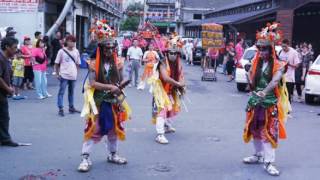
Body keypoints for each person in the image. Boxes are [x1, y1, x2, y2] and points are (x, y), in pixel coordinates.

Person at [78, 19, 131, 172]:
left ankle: (113, 154)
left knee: (114, 128)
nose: (110, 51)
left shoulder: (118, 62)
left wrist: (124, 82)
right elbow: (93, 83)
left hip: (114, 101)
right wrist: (110, 86)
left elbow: (121, 79)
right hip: (98, 101)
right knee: (93, 128)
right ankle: (85, 158)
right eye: (107, 48)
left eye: (112, 48)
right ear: (101, 48)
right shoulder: (93, 63)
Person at [243, 23, 290, 176]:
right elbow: (251, 84)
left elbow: (275, 81)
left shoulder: (279, 64)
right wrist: (248, 76)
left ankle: (269, 162)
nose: (261, 51)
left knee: (268, 132)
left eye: (265, 48)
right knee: (254, 129)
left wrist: (265, 92)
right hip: (255, 102)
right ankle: (257, 155)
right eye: (260, 48)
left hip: (269, 103)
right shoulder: (256, 63)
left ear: (271, 50)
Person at [147, 43, 185, 144]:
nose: (172, 55)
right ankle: (160, 135)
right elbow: (165, 78)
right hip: (160, 90)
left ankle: (166, 126)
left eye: (175, 53)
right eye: (170, 53)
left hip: (170, 90)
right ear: (167, 53)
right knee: (162, 110)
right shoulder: (162, 63)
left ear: (178, 54)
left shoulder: (178, 63)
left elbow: (181, 75)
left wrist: (182, 83)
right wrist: (178, 83)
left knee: (170, 108)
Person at [55, 35, 81, 117]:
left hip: (73, 76)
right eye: (70, 41)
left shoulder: (76, 51)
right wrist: (57, 73)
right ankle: (61, 108)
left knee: (71, 92)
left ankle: (71, 107)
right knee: (61, 92)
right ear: (67, 41)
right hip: (64, 75)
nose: (72, 43)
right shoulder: (61, 51)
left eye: (73, 41)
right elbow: (56, 63)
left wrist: (76, 73)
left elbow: (77, 63)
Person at [0, 37, 19, 147]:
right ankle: (5, 139)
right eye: (14, 48)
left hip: (3, 92)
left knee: (3, 116)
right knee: (4, 116)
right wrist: (8, 88)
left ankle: (4, 137)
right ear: (7, 47)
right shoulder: (1, 58)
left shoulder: (6, 58)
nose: (16, 50)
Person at [279, 39, 300, 103]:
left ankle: (287, 110)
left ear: (288, 45)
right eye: (282, 46)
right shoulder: (280, 51)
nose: (283, 48)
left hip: (289, 78)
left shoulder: (294, 52)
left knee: (287, 95)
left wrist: (289, 64)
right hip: (280, 76)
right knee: (279, 95)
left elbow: (297, 65)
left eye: (285, 46)